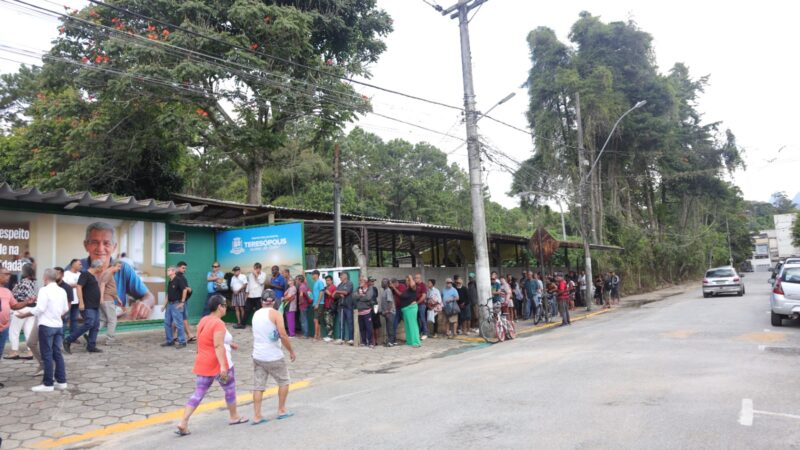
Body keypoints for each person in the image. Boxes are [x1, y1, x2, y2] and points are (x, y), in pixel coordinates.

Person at [176, 295, 246, 436]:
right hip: (218, 364)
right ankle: (234, 416)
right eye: (225, 305)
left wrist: (229, 344)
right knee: (230, 389)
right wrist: (223, 367)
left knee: (198, 393)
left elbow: (205, 339)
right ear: (219, 307)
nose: (226, 307)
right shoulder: (218, 323)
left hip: (203, 362)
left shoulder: (204, 320)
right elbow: (218, 345)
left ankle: (183, 422)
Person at [80, 222, 154, 320]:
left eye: (106, 243)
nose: (100, 248)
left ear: (114, 247)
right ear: (86, 245)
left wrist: (145, 303)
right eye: (94, 242)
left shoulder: (123, 269)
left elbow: (149, 296)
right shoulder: (75, 269)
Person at [15, 268, 69, 392]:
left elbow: (40, 309)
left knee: (47, 355)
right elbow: (65, 308)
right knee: (57, 354)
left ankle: (48, 384)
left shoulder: (44, 290)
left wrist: (24, 314)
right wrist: (55, 314)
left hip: (46, 326)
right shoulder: (62, 290)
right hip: (58, 325)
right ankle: (61, 381)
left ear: (45, 278)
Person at [252, 289, 296, 424]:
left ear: (262, 301)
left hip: (258, 355)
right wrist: (291, 351)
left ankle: (257, 416)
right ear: (274, 301)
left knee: (258, 386)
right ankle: (281, 410)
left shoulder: (256, 314)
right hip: (273, 355)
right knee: (284, 381)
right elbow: (283, 335)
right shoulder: (276, 314)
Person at [64, 260, 104, 354]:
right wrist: (81, 302)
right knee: (89, 323)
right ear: (97, 267)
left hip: (94, 305)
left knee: (95, 325)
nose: (102, 269)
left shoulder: (92, 276)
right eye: (101, 267)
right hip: (87, 305)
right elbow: (79, 287)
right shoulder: (85, 274)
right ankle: (68, 340)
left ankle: (91, 346)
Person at [1, 267, 27, 388]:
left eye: (9, 274)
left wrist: (26, 302)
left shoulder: (7, 291)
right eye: (6, 274)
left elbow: (14, 305)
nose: (9, 276)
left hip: (4, 328)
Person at [6, 263, 36, 360]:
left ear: (24, 271)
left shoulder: (22, 282)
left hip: (21, 307)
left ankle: (14, 352)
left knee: (14, 330)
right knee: (28, 330)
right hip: (32, 308)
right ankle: (30, 352)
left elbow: (13, 293)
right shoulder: (34, 282)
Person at [160, 266, 189, 349]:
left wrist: (182, 302)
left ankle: (182, 342)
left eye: (169, 270)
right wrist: (164, 305)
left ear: (173, 272)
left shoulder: (178, 280)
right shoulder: (170, 281)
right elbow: (168, 294)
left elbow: (184, 290)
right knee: (167, 323)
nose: (167, 271)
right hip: (169, 305)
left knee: (179, 323)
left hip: (177, 304)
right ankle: (170, 341)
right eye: (167, 270)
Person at [98, 261, 122, 345]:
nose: (119, 269)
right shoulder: (108, 273)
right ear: (113, 266)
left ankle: (90, 335)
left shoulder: (107, 273)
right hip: (107, 300)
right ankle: (110, 340)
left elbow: (110, 288)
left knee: (103, 320)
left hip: (105, 299)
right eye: (118, 266)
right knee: (112, 320)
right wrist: (101, 298)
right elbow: (102, 285)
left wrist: (117, 298)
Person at [400, 275, 421, 347]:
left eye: (408, 280)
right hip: (405, 310)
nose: (406, 282)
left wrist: (410, 277)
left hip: (411, 308)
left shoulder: (413, 288)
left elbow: (412, 284)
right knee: (408, 326)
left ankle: (416, 342)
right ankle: (410, 341)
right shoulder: (407, 289)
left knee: (412, 325)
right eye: (406, 280)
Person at [176, 262, 195, 342]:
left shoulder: (181, 277)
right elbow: (183, 289)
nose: (184, 270)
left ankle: (174, 336)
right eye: (183, 268)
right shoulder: (178, 277)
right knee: (183, 318)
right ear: (178, 267)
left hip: (181, 301)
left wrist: (189, 289)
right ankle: (189, 335)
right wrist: (182, 301)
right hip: (180, 301)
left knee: (179, 319)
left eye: (185, 268)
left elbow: (184, 288)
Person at [334, 272, 354, 345]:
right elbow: (334, 296)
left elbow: (346, 292)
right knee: (341, 323)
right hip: (341, 306)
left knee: (350, 322)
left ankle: (351, 339)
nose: (340, 277)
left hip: (348, 306)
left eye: (341, 276)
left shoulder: (350, 283)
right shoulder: (340, 285)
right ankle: (341, 339)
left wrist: (337, 291)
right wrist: (339, 294)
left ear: (345, 276)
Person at [355, 277, 375, 348]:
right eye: (359, 280)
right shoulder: (358, 289)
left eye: (361, 281)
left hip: (367, 311)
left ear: (365, 282)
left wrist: (360, 297)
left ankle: (370, 342)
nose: (359, 282)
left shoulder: (370, 288)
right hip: (360, 312)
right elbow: (354, 296)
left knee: (369, 327)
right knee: (362, 327)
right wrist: (360, 295)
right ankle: (363, 342)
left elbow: (368, 297)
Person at [63, 259, 82, 336]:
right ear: (73, 264)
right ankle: (61, 337)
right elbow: (64, 285)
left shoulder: (80, 274)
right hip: (68, 300)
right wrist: (76, 285)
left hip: (77, 300)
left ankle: (73, 337)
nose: (81, 266)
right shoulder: (66, 274)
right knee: (65, 318)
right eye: (79, 264)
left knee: (74, 319)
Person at [245, 263, 267, 328]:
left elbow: (261, 282)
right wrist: (247, 293)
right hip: (250, 295)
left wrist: (256, 275)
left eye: (257, 268)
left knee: (258, 311)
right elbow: (249, 284)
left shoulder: (263, 274)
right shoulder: (250, 275)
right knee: (247, 310)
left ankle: (258, 325)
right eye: (254, 268)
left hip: (258, 296)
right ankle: (242, 324)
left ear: (260, 268)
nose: (255, 270)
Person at [378, 278, 396, 347]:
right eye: (382, 282)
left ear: (387, 284)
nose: (382, 283)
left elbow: (390, 302)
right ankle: (391, 341)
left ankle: (391, 342)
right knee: (389, 327)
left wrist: (388, 311)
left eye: (384, 282)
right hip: (387, 312)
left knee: (390, 327)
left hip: (390, 312)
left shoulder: (388, 291)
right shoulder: (385, 291)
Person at [309, 270, 326, 341]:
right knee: (317, 320)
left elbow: (322, 292)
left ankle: (316, 336)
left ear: (316, 275)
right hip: (315, 304)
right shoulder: (315, 283)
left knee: (316, 320)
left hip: (319, 304)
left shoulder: (320, 282)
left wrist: (317, 303)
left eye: (313, 274)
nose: (312, 276)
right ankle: (318, 336)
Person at [413, 273, 428, 340]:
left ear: (420, 278)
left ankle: (425, 333)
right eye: (415, 278)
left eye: (416, 278)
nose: (415, 279)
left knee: (422, 319)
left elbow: (424, 296)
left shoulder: (423, 285)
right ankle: (419, 332)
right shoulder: (415, 285)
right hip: (415, 305)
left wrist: (417, 302)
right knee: (417, 320)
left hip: (421, 305)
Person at [322, 275, 336, 342]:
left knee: (330, 321)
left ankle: (330, 336)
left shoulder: (334, 287)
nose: (327, 282)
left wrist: (328, 293)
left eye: (328, 280)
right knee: (326, 321)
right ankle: (329, 335)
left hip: (331, 306)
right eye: (326, 280)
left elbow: (334, 297)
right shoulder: (326, 287)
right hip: (325, 306)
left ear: (331, 281)